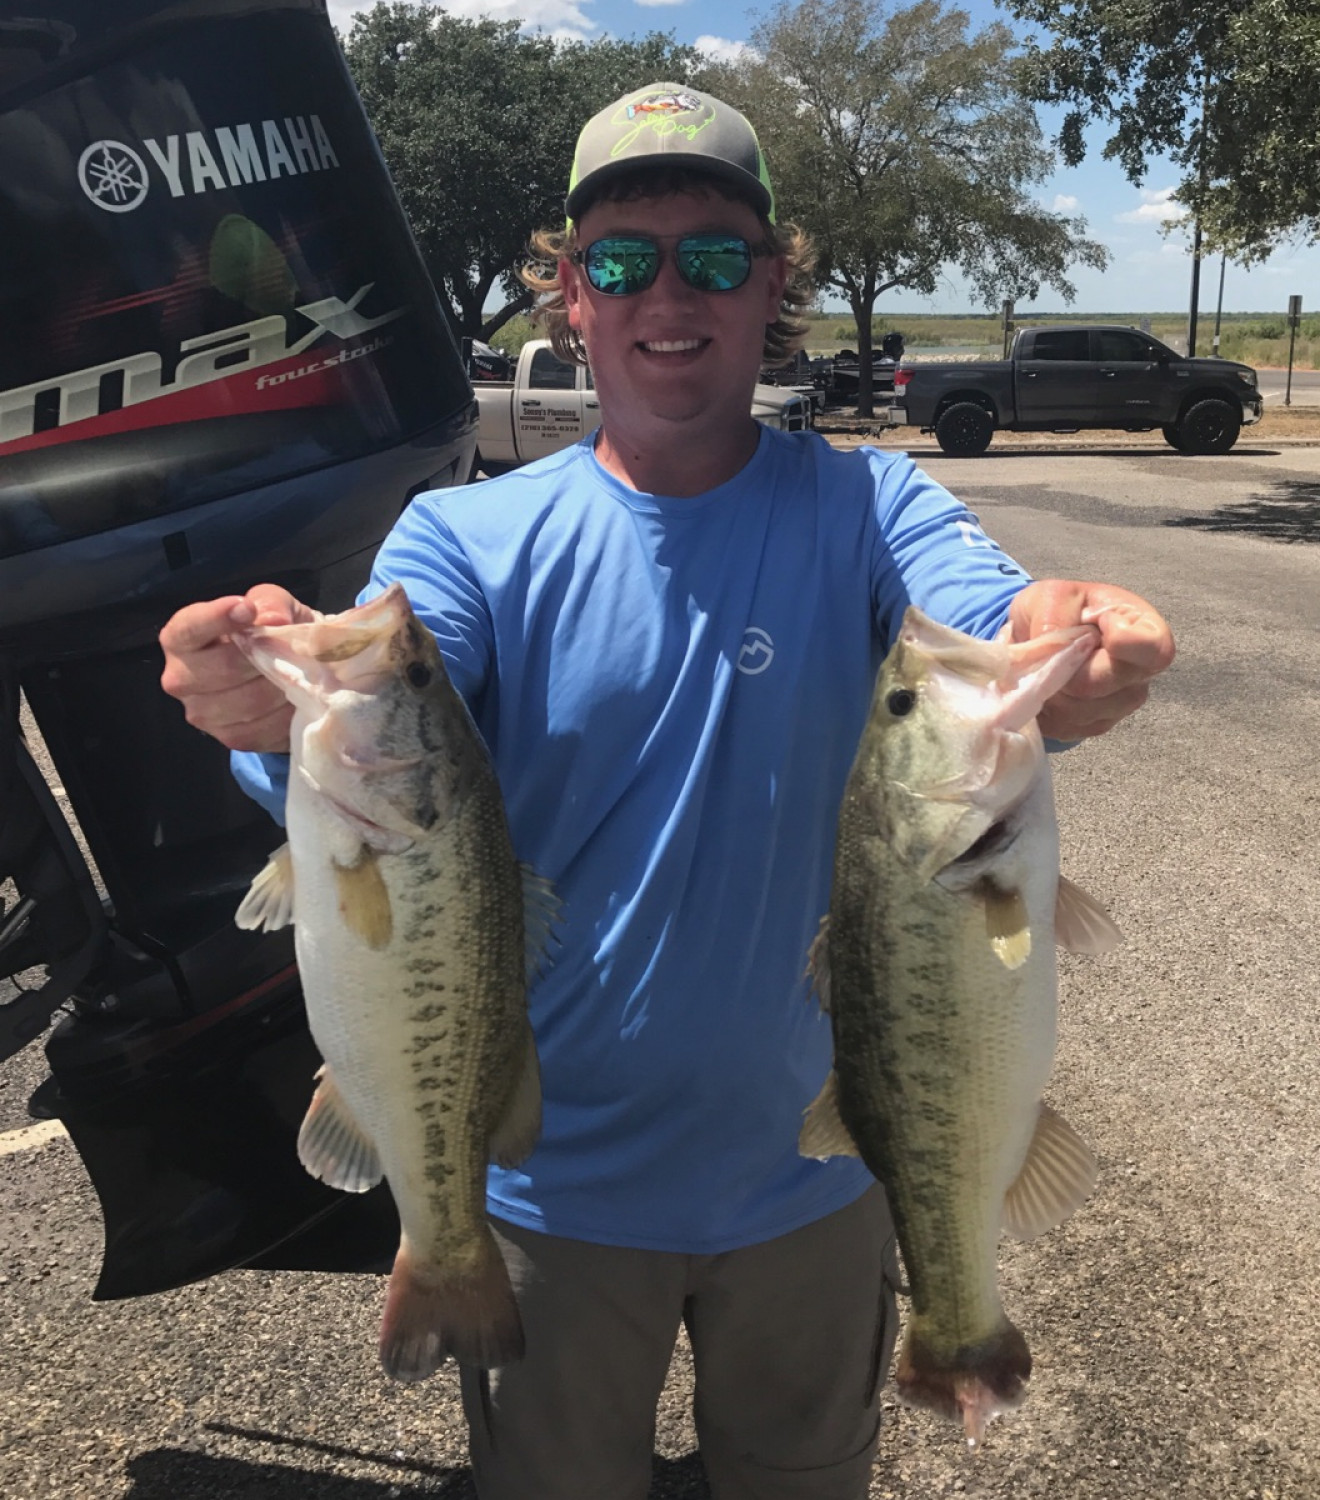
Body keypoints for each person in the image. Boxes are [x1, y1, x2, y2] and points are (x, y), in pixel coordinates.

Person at [159, 84, 1175, 1500]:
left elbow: (996, 633)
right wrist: (266, 709)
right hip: (544, 1194)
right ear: (570, 296)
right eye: (623, 260)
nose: (667, 293)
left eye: (713, 255)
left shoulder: (872, 508)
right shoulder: (466, 532)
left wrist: (1076, 648)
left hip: (818, 1184)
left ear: (773, 286)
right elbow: (381, 711)